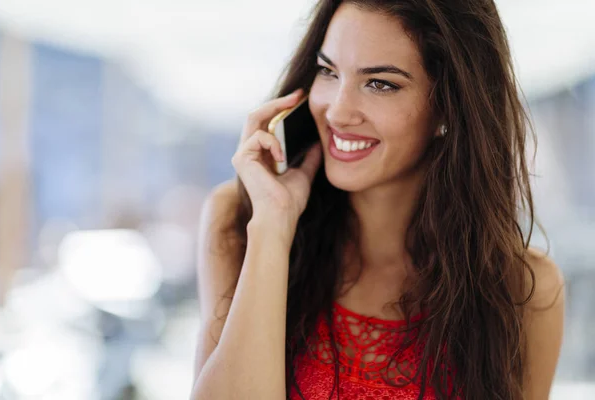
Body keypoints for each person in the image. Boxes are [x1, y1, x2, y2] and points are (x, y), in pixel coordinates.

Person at [190, 0, 565, 399]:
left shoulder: (523, 289)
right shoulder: (239, 221)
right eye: (328, 71)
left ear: (449, 108)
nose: (337, 111)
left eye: (380, 83)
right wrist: (272, 227)